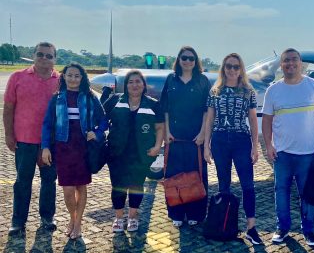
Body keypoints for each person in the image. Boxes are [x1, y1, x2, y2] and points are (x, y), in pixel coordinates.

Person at [262, 48, 314, 247]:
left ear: (301, 64)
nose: (290, 64)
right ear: (281, 65)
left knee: (307, 193)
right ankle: (282, 228)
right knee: (280, 191)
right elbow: (266, 120)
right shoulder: (273, 90)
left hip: (308, 152)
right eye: (285, 61)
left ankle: (308, 231)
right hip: (282, 154)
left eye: (294, 60)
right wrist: (269, 145)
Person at [41, 63, 105, 239]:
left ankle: (78, 223)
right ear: (64, 76)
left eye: (77, 76)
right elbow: (47, 124)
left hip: (83, 149)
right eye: (70, 75)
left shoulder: (91, 97)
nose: (73, 79)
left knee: (81, 186)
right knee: (68, 189)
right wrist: (45, 147)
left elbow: (104, 120)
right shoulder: (57, 98)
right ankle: (72, 217)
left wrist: (97, 133)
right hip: (62, 148)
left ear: (82, 78)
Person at [204, 53, 261, 245]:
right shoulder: (215, 91)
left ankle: (251, 227)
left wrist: (255, 146)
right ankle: (225, 225)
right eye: (228, 66)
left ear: (241, 70)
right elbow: (210, 119)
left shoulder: (247, 91)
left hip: (241, 140)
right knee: (223, 184)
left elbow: (253, 120)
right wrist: (206, 145)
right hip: (220, 139)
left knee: (248, 185)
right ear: (223, 68)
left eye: (236, 67)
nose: (232, 70)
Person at [3, 42, 60, 235]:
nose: (44, 59)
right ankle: (18, 221)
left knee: (48, 180)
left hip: (49, 143)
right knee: (22, 181)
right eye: (41, 55)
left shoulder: (60, 81)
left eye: (49, 56)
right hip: (24, 141)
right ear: (33, 55)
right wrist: (9, 134)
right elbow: (9, 108)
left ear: (55, 60)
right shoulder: (17, 77)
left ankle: (47, 217)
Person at [103, 70, 164, 232]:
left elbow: (159, 128)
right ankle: (118, 218)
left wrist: (158, 146)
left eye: (138, 81)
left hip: (141, 154)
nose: (134, 85)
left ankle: (132, 217)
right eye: (131, 82)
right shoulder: (115, 100)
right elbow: (101, 118)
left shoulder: (152, 104)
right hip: (117, 153)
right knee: (117, 186)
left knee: (136, 186)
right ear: (126, 85)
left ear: (144, 85)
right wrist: (96, 136)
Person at [160, 46, 210, 228]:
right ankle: (176, 212)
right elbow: (164, 108)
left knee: (196, 175)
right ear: (179, 60)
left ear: (196, 62)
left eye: (191, 58)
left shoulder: (203, 81)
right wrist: (166, 131)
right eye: (184, 58)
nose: (188, 61)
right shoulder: (171, 80)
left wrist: (203, 132)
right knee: (174, 176)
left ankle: (196, 212)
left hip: (195, 138)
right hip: (174, 137)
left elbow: (207, 110)